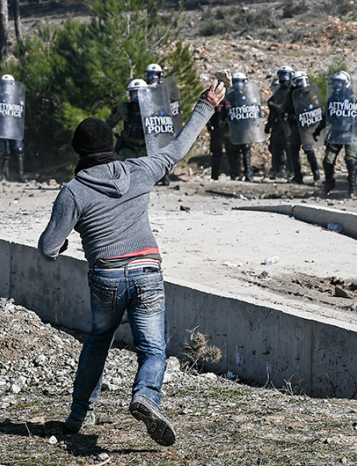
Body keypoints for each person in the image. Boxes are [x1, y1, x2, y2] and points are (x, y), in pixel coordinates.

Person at [37, 80, 226, 446]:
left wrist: (62, 245)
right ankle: (145, 396)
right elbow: (178, 148)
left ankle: (77, 417)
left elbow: (47, 248)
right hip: (147, 271)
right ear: (111, 145)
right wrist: (206, 104)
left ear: (78, 151)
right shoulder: (140, 170)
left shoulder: (74, 192)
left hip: (107, 276)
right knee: (153, 350)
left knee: (98, 341)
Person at [313, 71, 357, 198]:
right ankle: (329, 183)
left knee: (351, 161)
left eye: (340, 82)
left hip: (351, 133)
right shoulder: (332, 99)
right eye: (335, 82)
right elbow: (327, 117)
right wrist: (319, 129)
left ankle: (353, 189)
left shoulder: (353, 99)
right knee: (328, 161)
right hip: (336, 133)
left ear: (346, 83)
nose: (337, 85)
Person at [282, 71, 321, 183]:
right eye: (297, 82)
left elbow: (316, 109)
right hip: (295, 127)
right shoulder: (291, 95)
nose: (300, 84)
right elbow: (285, 108)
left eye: (301, 81)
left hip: (307, 127)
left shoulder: (310, 94)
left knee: (308, 149)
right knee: (293, 150)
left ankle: (316, 173)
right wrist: (289, 115)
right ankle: (297, 175)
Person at [0, 74, 27, 182]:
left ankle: (19, 175)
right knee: (1, 151)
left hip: (14, 127)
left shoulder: (17, 96)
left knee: (18, 149)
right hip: (0, 126)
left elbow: (20, 112)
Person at [106, 79, 148, 161]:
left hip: (147, 148)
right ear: (130, 95)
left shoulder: (152, 108)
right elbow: (108, 124)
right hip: (128, 147)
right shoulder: (124, 108)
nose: (137, 95)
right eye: (134, 93)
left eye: (140, 93)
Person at [206, 88, 242, 180]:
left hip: (227, 130)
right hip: (216, 131)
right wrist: (209, 125)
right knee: (216, 153)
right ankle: (214, 176)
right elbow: (208, 115)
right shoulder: (213, 102)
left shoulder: (229, 101)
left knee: (232, 152)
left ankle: (234, 174)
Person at [265, 66, 293, 179]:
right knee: (275, 146)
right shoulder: (279, 91)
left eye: (286, 75)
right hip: (278, 123)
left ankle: (291, 169)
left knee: (289, 146)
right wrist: (269, 125)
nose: (284, 78)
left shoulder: (293, 90)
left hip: (290, 123)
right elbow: (272, 106)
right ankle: (278, 168)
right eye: (282, 75)